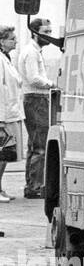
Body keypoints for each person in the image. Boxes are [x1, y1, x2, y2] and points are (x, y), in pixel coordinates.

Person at [17, 17, 56, 200]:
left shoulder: (33, 51)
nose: (49, 35)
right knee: (40, 145)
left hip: (34, 99)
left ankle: (32, 184)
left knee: (35, 144)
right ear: (35, 33)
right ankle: (35, 186)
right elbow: (34, 78)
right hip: (36, 99)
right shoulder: (32, 53)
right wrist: (52, 84)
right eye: (45, 32)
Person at [0, 26, 24, 203]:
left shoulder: (6, 58)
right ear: (2, 41)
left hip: (11, 112)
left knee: (6, 155)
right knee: (2, 154)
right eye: (11, 38)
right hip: (4, 115)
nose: (15, 41)